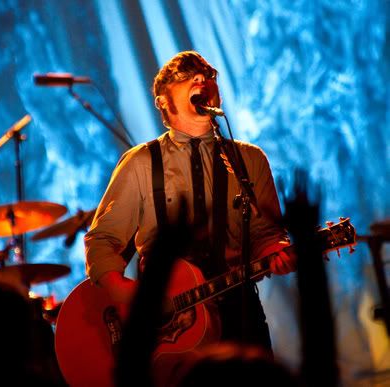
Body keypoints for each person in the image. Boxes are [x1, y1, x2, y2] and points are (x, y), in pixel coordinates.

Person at [84, 50, 297, 364]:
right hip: (170, 330)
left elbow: (267, 234)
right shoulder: (141, 163)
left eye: (207, 75)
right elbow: (102, 242)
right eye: (186, 77)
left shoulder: (250, 160)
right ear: (163, 101)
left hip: (241, 314)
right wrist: (128, 295)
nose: (201, 79)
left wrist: (277, 252)